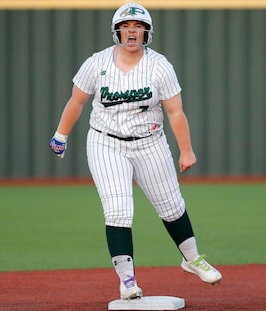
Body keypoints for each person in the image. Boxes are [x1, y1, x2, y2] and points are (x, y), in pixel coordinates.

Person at [49, 2, 222, 300]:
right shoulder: (97, 63)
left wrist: (186, 150)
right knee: (118, 210)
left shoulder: (159, 66)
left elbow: (175, 112)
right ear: (117, 31)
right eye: (127, 27)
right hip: (106, 142)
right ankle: (127, 280)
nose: (132, 32)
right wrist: (60, 135)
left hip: (149, 142)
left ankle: (192, 259)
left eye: (138, 28)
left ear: (147, 33)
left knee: (171, 204)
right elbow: (76, 101)